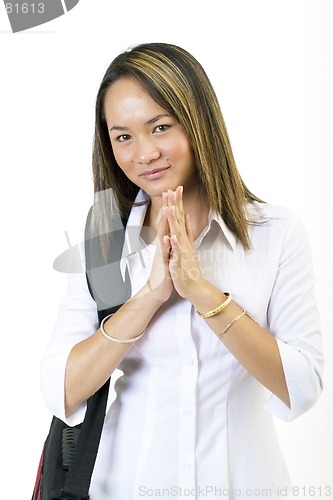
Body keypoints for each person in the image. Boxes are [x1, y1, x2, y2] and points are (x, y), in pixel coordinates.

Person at [41, 43, 324, 500]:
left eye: (160, 127)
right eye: (123, 136)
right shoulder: (105, 242)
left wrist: (202, 293)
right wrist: (149, 296)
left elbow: (303, 388)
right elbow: (63, 391)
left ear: (199, 123)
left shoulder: (276, 233)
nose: (145, 153)